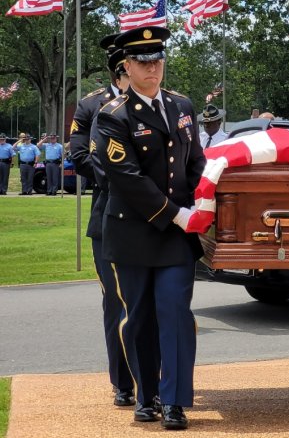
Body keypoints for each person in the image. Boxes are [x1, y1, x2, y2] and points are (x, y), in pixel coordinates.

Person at [94, 26, 206, 431]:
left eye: (157, 60)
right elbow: (127, 178)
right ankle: (147, 395)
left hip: (177, 236)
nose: (152, 68)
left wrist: (204, 199)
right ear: (127, 66)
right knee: (139, 316)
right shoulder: (113, 116)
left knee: (175, 313)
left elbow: (195, 161)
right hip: (134, 233)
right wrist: (177, 213)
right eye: (143, 61)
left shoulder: (182, 106)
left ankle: (175, 400)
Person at [69, 34, 140, 407]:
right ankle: (123, 383)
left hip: (148, 215)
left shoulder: (156, 104)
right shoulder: (91, 106)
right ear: (119, 68)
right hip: (108, 210)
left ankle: (149, 379)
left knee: (146, 302)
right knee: (116, 301)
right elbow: (80, 157)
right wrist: (121, 179)